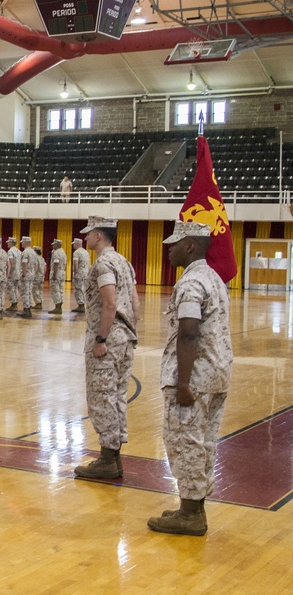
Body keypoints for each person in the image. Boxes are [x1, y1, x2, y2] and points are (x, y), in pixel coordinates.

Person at [147, 221, 232, 537]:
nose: (170, 249)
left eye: (175, 244)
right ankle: (193, 506)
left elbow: (188, 332)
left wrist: (183, 383)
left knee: (183, 439)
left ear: (191, 246)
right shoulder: (214, 278)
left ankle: (191, 514)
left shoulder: (191, 283)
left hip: (193, 377)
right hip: (217, 374)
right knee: (205, 440)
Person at [73, 216, 140, 480]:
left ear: (98, 236)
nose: (86, 238)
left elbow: (109, 303)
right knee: (117, 395)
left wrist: (101, 339)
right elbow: (134, 304)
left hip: (107, 338)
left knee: (102, 397)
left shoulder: (103, 264)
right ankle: (114, 457)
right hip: (124, 338)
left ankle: (107, 459)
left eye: (89, 234)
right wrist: (129, 333)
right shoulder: (123, 261)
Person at [19, 236, 37, 319]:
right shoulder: (33, 252)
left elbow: (24, 264)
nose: (21, 243)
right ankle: (29, 309)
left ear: (26, 242)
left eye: (22, 242)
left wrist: (23, 274)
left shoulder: (25, 252)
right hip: (31, 275)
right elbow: (36, 264)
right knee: (29, 292)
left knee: (25, 292)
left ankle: (26, 310)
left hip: (26, 275)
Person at [49, 239, 68, 315]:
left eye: (54, 244)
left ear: (57, 245)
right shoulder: (63, 252)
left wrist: (54, 274)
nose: (52, 245)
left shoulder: (56, 253)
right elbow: (65, 264)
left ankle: (57, 307)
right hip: (62, 273)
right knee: (60, 290)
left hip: (56, 273)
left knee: (55, 290)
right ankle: (59, 307)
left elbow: (56, 264)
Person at [71, 237, 90, 313]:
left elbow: (76, 263)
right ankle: (83, 304)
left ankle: (80, 305)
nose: (73, 246)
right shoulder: (86, 252)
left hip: (79, 273)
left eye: (74, 244)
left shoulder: (76, 252)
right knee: (83, 289)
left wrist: (75, 273)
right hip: (85, 273)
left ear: (77, 244)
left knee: (78, 289)